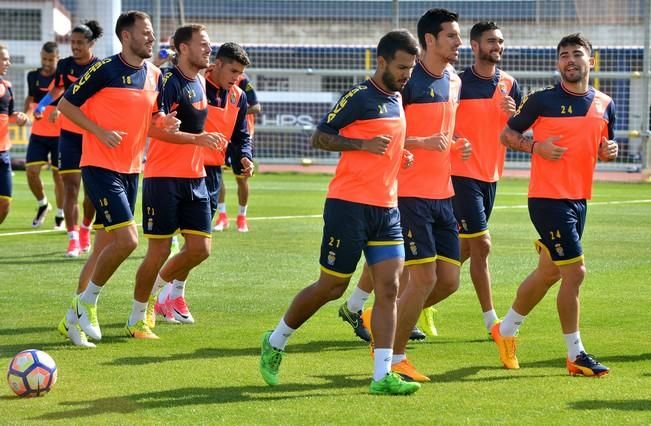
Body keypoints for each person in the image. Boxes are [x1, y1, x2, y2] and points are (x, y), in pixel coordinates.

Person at [259, 29, 422, 396]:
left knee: (391, 287)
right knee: (332, 286)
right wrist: (361, 144)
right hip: (348, 207)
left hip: (386, 207)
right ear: (381, 61)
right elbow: (319, 136)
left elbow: (386, 147)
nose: (406, 75)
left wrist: (399, 157)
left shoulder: (398, 98)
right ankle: (276, 339)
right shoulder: (359, 96)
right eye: (401, 67)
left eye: (410, 68)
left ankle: (382, 376)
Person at [494, 33, 617, 377]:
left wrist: (607, 152)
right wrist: (535, 148)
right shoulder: (541, 100)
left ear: (591, 61)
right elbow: (506, 135)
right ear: (557, 64)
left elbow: (602, 146)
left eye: (576, 54)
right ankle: (576, 355)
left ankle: (504, 331)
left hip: (579, 199)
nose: (570, 60)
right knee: (575, 272)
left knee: (549, 272)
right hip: (547, 199)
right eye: (563, 55)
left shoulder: (605, 104)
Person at [55, 10, 180, 347]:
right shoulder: (104, 69)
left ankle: (71, 321)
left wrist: (163, 126)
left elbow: (151, 121)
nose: (152, 38)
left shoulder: (155, 75)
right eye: (146, 32)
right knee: (128, 240)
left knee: (104, 245)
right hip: (98, 164)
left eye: (152, 33)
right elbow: (66, 105)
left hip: (130, 169)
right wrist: (99, 131)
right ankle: (86, 304)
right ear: (127, 36)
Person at [135, 23, 225, 336]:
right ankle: (138, 312)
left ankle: (158, 298)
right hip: (163, 177)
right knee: (158, 251)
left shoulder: (200, 80)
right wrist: (197, 139)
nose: (208, 48)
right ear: (183, 48)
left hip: (195, 176)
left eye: (209, 44)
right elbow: (151, 128)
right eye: (202, 44)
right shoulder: (167, 80)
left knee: (201, 249)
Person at [154, 41, 254, 323]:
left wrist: (244, 158)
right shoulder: (193, 86)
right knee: (170, 243)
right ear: (217, 64)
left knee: (196, 246)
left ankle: (173, 294)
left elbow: (240, 137)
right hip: (177, 168)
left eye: (240, 73)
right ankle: (155, 296)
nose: (237, 78)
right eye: (233, 70)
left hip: (210, 174)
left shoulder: (238, 96)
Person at [451, 21, 522, 335]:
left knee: (464, 250)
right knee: (482, 245)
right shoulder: (455, 82)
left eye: (501, 41)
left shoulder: (509, 83)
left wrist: (513, 116)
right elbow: (439, 122)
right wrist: (454, 142)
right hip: (459, 174)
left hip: (490, 176)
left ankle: (420, 299)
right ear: (474, 45)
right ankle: (491, 321)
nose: (498, 46)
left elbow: (514, 134)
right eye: (492, 41)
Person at [35, 21, 103, 257]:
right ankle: (73, 237)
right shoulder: (64, 65)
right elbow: (57, 89)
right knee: (71, 187)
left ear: (91, 43)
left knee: (92, 191)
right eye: (72, 42)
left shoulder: (101, 67)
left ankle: (85, 228)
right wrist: (43, 106)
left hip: (92, 134)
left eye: (80, 43)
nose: (75, 47)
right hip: (69, 134)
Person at [213, 72, 261, 232]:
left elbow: (256, 106)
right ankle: (222, 216)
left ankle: (242, 217)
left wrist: (234, 111)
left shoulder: (242, 81)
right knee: (217, 175)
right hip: (221, 134)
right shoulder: (212, 80)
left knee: (242, 179)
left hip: (239, 137)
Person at [24, 41, 65, 229]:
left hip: (59, 135)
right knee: (31, 172)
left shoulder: (62, 77)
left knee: (59, 176)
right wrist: (27, 114)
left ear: (57, 58)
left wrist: (60, 111)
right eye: (44, 59)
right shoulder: (32, 76)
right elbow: (31, 98)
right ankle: (43, 204)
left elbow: (70, 98)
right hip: (38, 133)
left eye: (51, 59)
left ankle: (60, 213)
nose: (47, 63)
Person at [0, 44, 29, 225]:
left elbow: (8, 116)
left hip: (3, 153)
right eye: (4, 59)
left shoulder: (7, 87)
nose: (8, 63)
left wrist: (19, 117)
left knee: (5, 203)